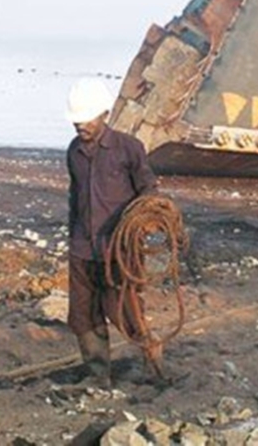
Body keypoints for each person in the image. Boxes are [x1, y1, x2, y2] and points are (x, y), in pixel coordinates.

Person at [64, 78, 158, 388]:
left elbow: (147, 189)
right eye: (76, 120)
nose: (80, 125)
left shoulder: (128, 148)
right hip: (82, 248)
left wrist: (143, 221)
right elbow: (75, 197)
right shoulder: (74, 152)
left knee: (127, 311)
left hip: (117, 249)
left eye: (86, 118)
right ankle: (97, 375)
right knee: (84, 316)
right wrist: (71, 237)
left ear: (104, 114)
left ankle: (155, 366)